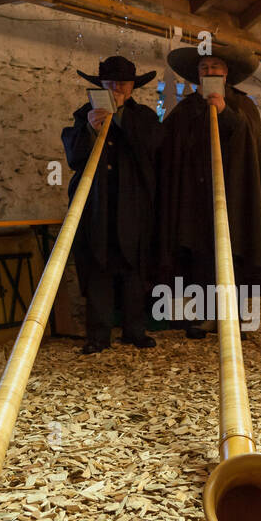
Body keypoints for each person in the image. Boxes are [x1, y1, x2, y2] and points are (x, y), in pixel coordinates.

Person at [157, 42, 261, 338]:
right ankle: (206, 316)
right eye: (204, 68)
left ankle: (233, 317)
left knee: (234, 254)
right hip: (196, 200)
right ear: (197, 75)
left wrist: (224, 113)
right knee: (201, 256)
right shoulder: (185, 110)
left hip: (236, 199)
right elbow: (168, 149)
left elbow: (247, 145)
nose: (209, 72)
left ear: (226, 74)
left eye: (215, 68)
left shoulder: (243, 105)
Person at [61, 55, 163, 353]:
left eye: (123, 83)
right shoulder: (84, 115)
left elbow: (153, 144)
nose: (117, 88)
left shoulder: (142, 116)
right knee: (98, 267)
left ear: (132, 87)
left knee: (134, 268)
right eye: (110, 83)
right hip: (97, 206)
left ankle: (134, 329)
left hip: (133, 205)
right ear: (100, 85)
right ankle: (98, 336)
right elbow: (74, 157)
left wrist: (118, 117)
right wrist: (92, 129)